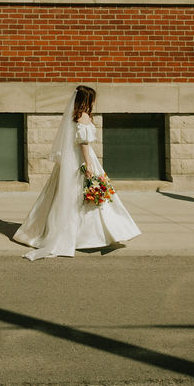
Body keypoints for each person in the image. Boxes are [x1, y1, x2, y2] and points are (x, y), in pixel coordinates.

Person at [14, 85, 141, 260]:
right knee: (84, 196)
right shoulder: (84, 117)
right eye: (93, 99)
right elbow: (83, 144)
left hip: (70, 160)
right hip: (82, 159)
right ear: (87, 100)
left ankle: (45, 230)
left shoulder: (74, 116)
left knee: (62, 196)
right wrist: (88, 165)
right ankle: (91, 236)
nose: (94, 102)